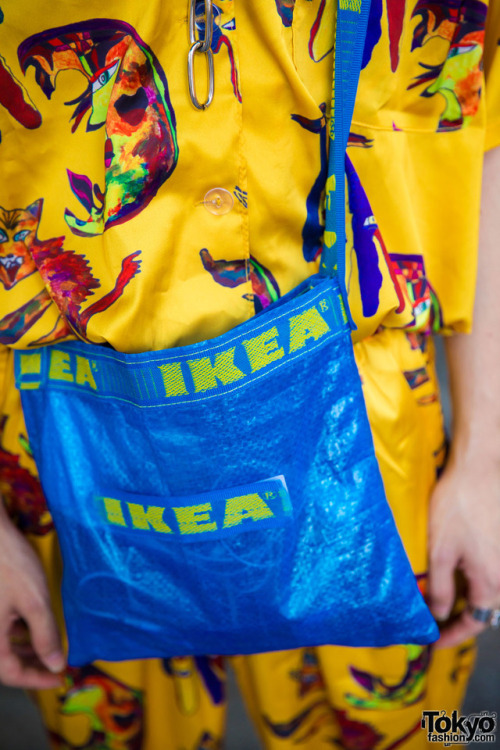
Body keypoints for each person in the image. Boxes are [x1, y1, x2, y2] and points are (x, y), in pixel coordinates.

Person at [0, 1, 499, 748]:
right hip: (63, 453)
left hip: (383, 450)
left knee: (437, 732)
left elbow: (484, 133)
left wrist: (487, 458)